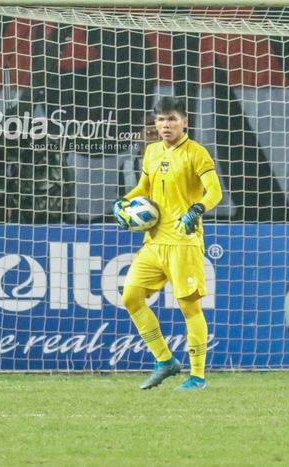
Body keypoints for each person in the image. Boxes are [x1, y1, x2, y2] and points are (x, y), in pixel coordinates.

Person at [113, 96, 223, 391]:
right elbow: (144, 187)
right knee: (130, 298)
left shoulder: (196, 153)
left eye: (172, 119)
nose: (165, 125)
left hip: (184, 242)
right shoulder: (151, 152)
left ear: (184, 121)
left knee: (190, 309)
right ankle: (165, 360)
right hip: (154, 243)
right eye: (160, 119)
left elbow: (215, 191)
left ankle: (197, 377)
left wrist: (197, 209)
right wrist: (125, 202)